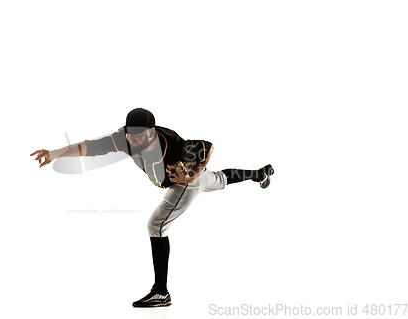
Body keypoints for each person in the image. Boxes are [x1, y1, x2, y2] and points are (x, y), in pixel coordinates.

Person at [30, 108, 274, 308]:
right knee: (219, 180)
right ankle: (260, 173)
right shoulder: (124, 138)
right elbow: (90, 147)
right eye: (129, 134)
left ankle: (161, 292)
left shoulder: (174, 144)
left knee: (156, 225)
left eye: (137, 135)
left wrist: (192, 172)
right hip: (186, 180)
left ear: (151, 133)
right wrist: (55, 153)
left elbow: (207, 146)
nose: (131, 140)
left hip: (184, 185)